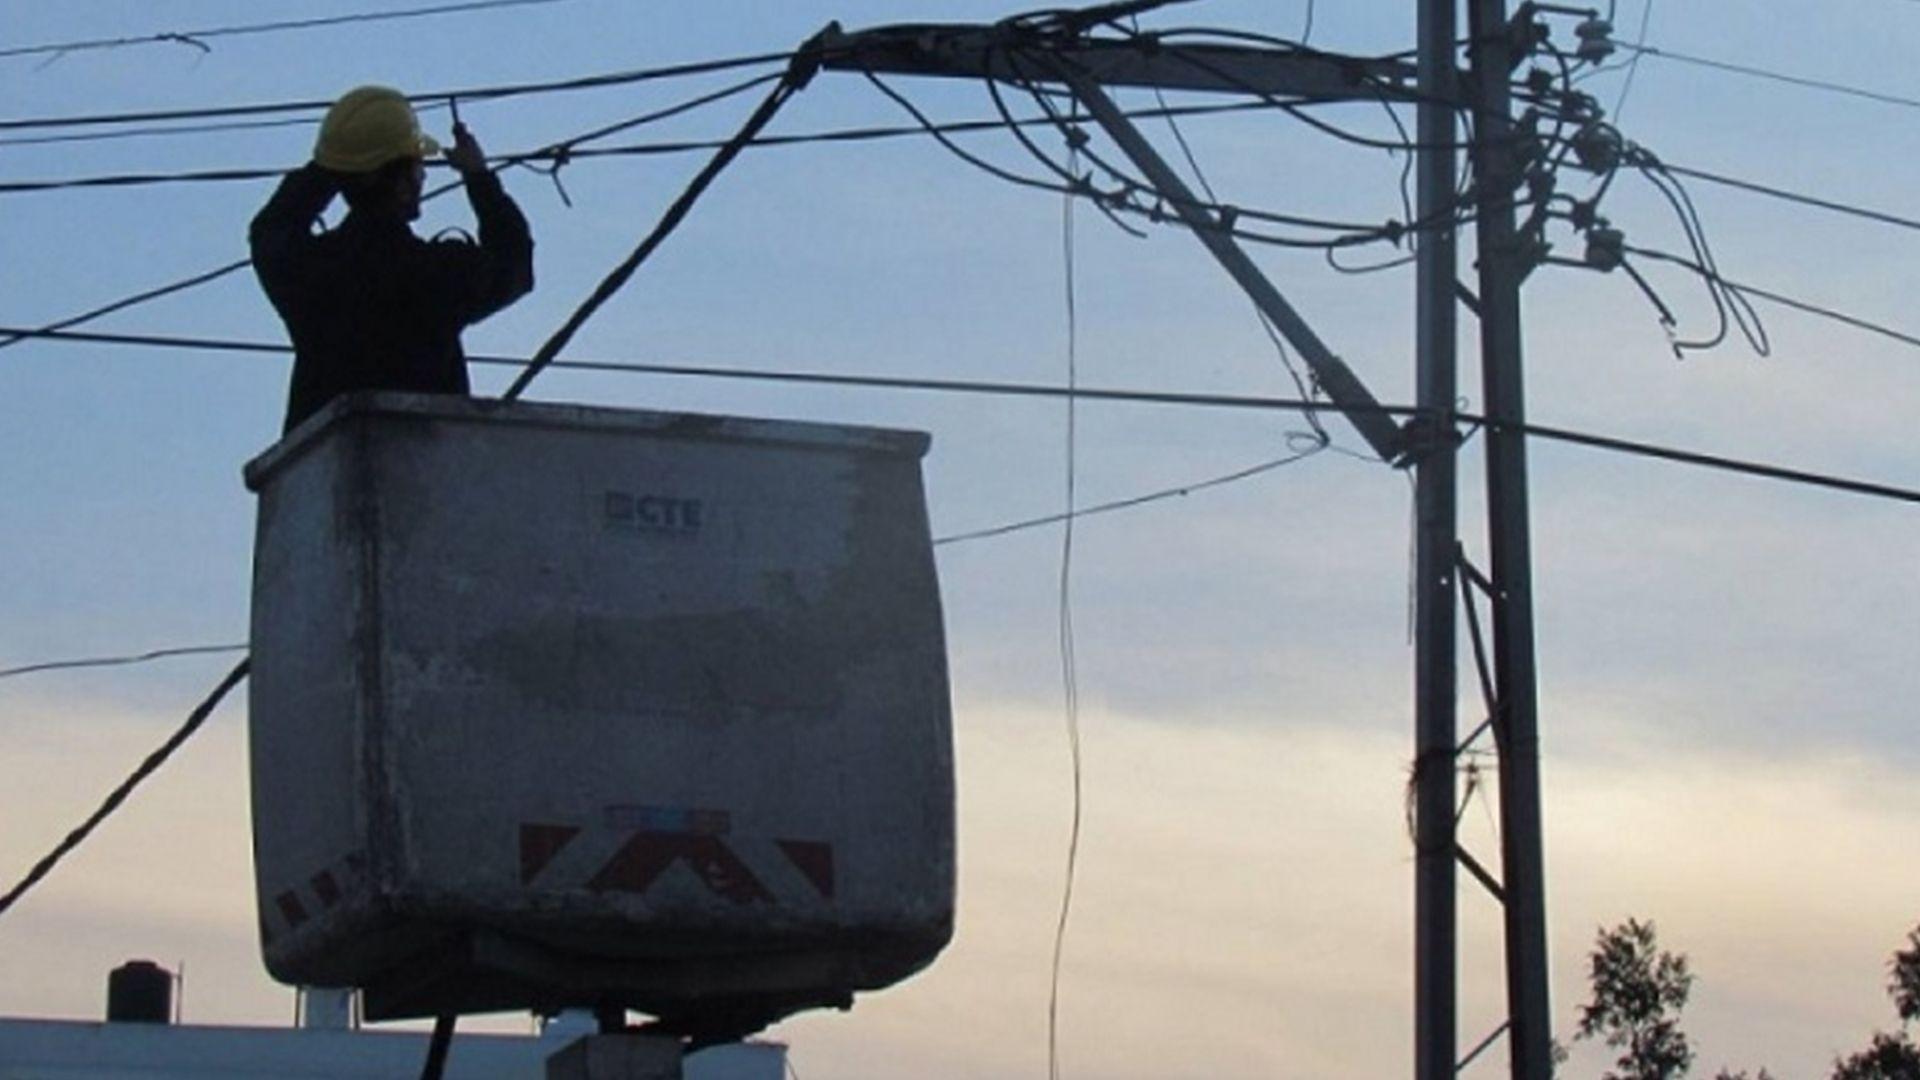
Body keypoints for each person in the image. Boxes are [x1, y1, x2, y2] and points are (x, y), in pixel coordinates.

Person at [251, 85, 534, 433]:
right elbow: (514, 264)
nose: (423, 176)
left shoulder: (308, 269)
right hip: (424, 470)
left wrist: (332, 166)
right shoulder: (435, 273)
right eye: (417, 167)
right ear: (400, 184)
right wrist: (478, 177)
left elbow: (271, 228)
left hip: (321, 472)